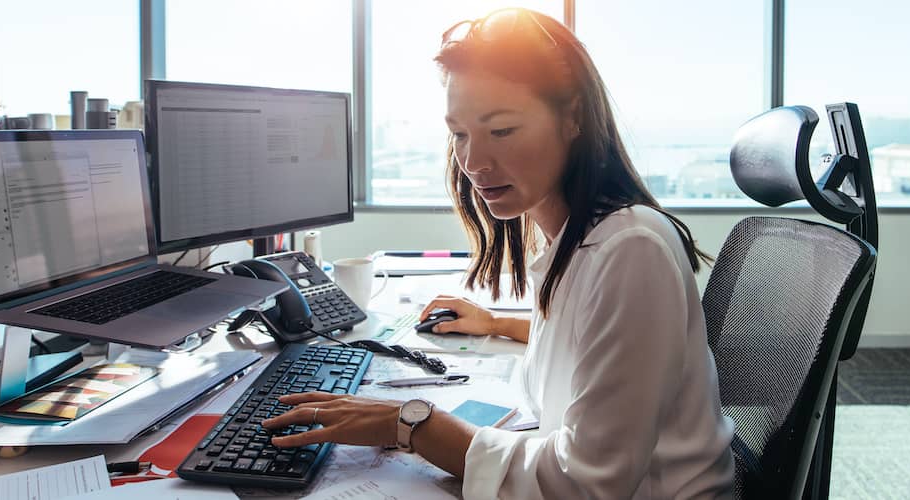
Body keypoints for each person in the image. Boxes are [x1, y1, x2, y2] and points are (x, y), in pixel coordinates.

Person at [262, 8, 735, 498]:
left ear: (572, 117)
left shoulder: (630, 249)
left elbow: (588, 485)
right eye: (460, 134)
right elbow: (598, 349)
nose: (472, 162)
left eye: (502, 130)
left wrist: (410, 424)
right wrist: (497, 324)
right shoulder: (577, 237)